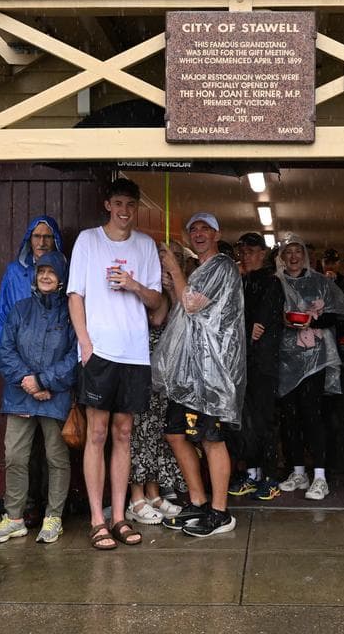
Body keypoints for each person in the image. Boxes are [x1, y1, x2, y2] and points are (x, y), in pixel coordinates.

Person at [67, 178, 162, 550]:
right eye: (119, 204)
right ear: (108, 205)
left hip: (135, 352)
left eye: (131, 205)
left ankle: (120, 516)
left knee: (124, 434)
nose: (125, 211)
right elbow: (75, 296)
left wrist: (134, 285)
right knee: (97, 432)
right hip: (100, 352)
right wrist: (86, 345)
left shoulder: (146, 245)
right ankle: (96, 518)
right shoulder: (89, 241)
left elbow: (155, 301)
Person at [154, 213, 246, 537]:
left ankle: (220, 513)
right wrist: (174, 282)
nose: (198, 233)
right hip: (188, 375)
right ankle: (198, 501)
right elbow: (185, 310)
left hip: (213, 373)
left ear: (218, 233)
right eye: (192, 228)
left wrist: (176, 271)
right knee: (175, 433)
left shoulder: (221, 267)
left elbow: (192, 304)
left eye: (205, 228)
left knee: (211, 438)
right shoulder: (198, 270)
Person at [0, 251, 78, 545]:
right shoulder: (20, 309)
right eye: (41, 271)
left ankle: (54, 517)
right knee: (14, 455)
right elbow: (7, 349)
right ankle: (14, 518)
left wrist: (43, 380)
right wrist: (28, 381)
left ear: (62, 277)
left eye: (52, 272)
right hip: (20, 393)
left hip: (55, 394)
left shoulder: (70, 311)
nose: (46, 276)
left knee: (56, 457)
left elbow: (74, 355)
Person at [276, 233, 344, 501]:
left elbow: (338, 313)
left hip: (314, 360)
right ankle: (298, 471)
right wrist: (281, 321)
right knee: (289, 417)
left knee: (312, 415)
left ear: (305, 255)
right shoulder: (276, 283)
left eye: (298, 251)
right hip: (285, 359)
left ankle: (320, 477)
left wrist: (312, 322)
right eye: (289, 252)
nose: (294, 257)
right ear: (282, 257)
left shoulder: (320, 282)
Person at [123, 241, 188, 527]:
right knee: (138, 431)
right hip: (139, 367)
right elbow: (158, 317)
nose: (165, 264)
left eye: (172, 259)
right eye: (162, 258)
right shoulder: (147, 289)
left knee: (156, 433)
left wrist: (173, 286)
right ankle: (135, 498)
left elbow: (183, 317)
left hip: (164, 374)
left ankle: (153, 494)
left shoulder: (177, 289)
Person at [227, 232, 285, 501]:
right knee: (245, 421)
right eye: (243, 251)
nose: (246, 256)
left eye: (251, 251)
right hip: (242, 364)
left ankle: (271, 477)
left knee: (264, 421)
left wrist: (245, 330)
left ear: (263, 253)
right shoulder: (241, 281)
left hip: (262, 364)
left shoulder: (271, 283)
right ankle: (251, 473)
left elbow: (256, 328)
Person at [0, 216, 64, 348]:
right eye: (37, 236)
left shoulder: (66, 271)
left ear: (55, 240)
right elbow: (3, 316)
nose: (41, 242)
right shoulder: (14, 272)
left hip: (54, 354)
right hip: (19, 354)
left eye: (47, 237)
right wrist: (8, 357)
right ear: (29, 239)